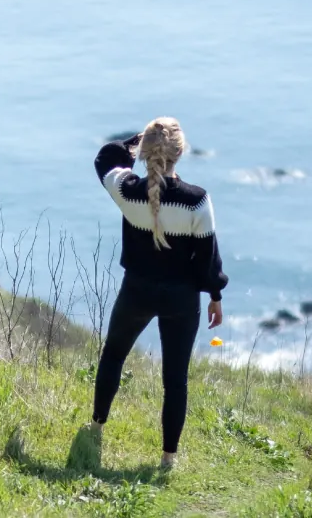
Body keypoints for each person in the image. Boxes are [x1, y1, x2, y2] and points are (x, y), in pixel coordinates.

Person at [84, 117, 227, 471]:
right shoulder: (197, 202)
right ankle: (167, 458)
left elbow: (105, 159)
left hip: (137, 290)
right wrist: (215, 295)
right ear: (180, 153)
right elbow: (208, 260)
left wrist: (133, 143)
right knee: (175, 380)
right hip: (181, 298)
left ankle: (97, 424)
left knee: (114, 355)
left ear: (145, 152)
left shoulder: (126, 189)